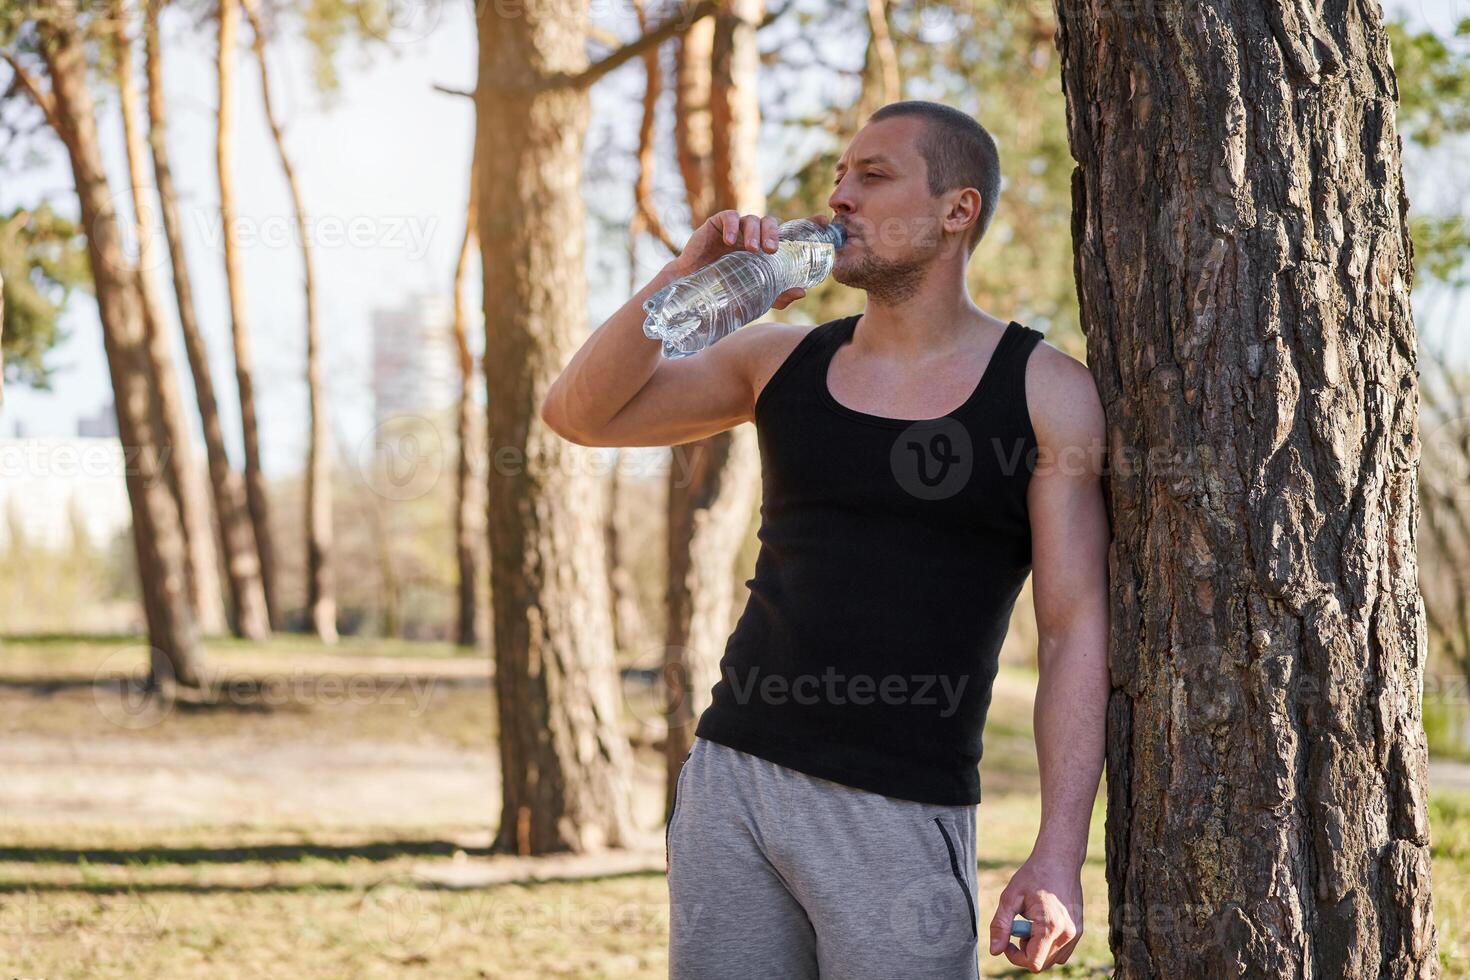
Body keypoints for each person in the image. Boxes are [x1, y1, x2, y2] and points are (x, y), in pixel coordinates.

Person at [541, 99, 1110, 978]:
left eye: (873, 176)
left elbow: (1074, 629)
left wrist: (1057, 854)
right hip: (733, 782)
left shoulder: (1043, 391)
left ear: (958, 210)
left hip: (900, 809)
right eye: (839, 176)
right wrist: (685, 275)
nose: (839, 196)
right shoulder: (779, 360)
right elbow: (579, 414)